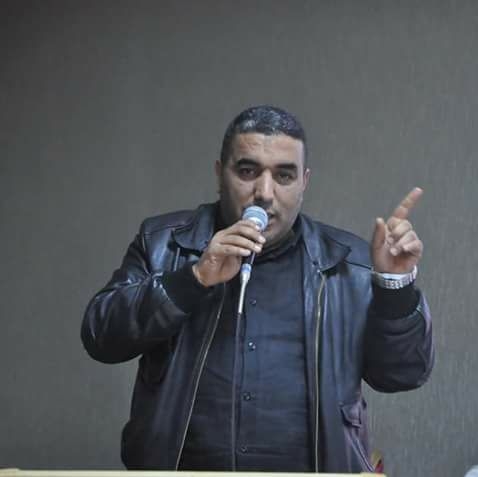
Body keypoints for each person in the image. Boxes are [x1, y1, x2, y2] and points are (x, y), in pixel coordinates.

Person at [81, 105, 434, 473]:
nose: (264, 193)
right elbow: (100, 337)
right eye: (248, 171)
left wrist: (395, 287)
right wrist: (193, 278)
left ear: (304, 183)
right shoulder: (164, 243)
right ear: (220, 173)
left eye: (284, 175)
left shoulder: (349, 264)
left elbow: (402, 374)